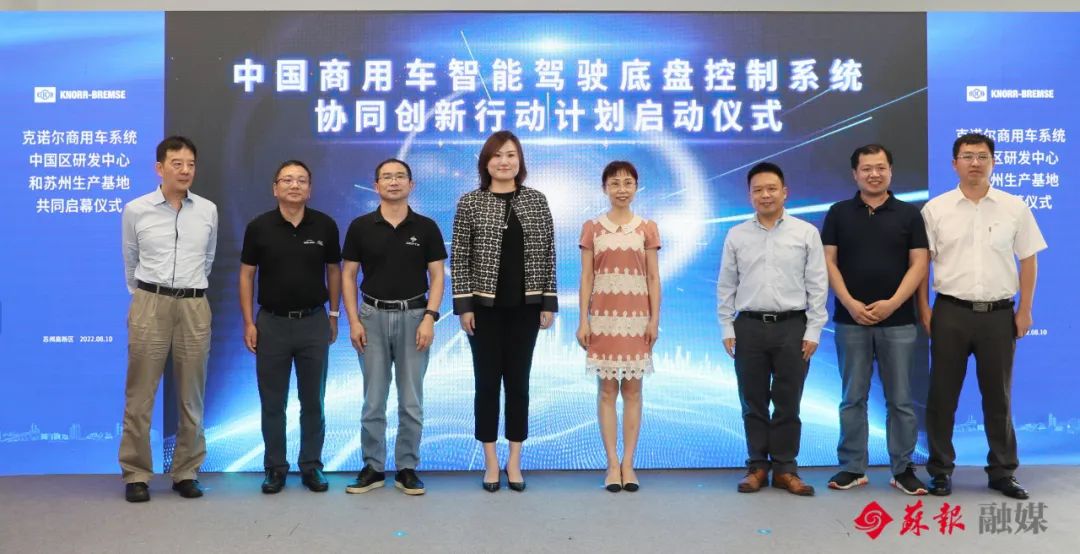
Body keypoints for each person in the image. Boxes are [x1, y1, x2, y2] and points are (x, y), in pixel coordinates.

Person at [917, 133, 1046, 499]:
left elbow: (1029, 259)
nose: (975, 162)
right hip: (950, 312)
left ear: (993, 162)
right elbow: (922, 264)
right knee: (942, 395)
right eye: (967, 156)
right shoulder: (936, 209)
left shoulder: (1013, 207)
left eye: (982, 156)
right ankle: (940, 470)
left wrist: (1025, 310)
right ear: (954, 163)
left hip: (998, 315)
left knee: (998, 397)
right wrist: (925, 308)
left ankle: (1002, 472)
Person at [451, 130, 557, 492]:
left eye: (511, 155)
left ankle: (514, 460)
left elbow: (549, 253)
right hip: (483, 310)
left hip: (526, 308)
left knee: (518, 384)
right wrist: (464, 306)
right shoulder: (470, 202)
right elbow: (460, 258)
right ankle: (491, 461)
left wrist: (547, 301)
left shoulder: (536, 201)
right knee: (486, 385)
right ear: (486, 162)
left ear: (520, 160)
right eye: (496, 155)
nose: (504, 161)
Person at [821, 144, 929, 495]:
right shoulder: (839, 213)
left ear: (891, 171)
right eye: (866, 168)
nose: (874, 174)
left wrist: (894, 303)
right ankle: (852, 467)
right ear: (855, 174)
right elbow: (828, 261)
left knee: (900, 399)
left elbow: (920, 264)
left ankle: (903, 468)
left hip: (898, 321)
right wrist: (850, 302)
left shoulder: (910, 215)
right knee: (853, 397)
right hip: (851, 320)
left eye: (881, 167)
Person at [717, 161, 828, 496]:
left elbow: (817, 284)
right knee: (752, 401)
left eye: (771, 189)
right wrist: (727, 326)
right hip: (748, 326)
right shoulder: (737, 235)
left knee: (788, 401)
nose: (765, 195)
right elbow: (727, 284)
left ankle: (785, 468)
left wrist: (814, 330)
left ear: (784, 192)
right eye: (758, 190)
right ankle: (757, 467)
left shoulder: (805, 233)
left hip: (792, 326)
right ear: (750, 195)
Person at [119, 136, 217, 502]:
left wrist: (187, 291)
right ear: (159, 168)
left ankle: (186, 471)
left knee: (192, 395)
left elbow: (207, 259)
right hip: (150, 301)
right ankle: (136, 473)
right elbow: (131, 260)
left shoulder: (208, 210)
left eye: (190, 164)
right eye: (177, 163)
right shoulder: (136, 209)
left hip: (193, 304)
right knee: (140, 395)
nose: (185, 170)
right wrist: (150, 295)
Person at [341, 158, 446, 496]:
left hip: (415, 316)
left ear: (411, 185)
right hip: (371, 317)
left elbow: (437, 276)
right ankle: (373, 467)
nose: (394, 182)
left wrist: (430, 317)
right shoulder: (361, 226)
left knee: (411, 400)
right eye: (387, 177)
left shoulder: (426, 227)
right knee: (373, 399)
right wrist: (353, 321)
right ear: (376, 186)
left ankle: (407, 468)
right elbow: (348, 275)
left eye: (401, 176)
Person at [239, 160, 341, 494]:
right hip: (271, 324)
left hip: (313, 322)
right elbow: (247, 275)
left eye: (301, 181)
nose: (294, 185)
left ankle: (312, 466)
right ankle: (275, 468)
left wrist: (334, 314)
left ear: (309, 189)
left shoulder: (325, 225)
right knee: (273, 403)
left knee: (314, 401)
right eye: (287, 180)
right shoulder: (259, 227)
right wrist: (249, 321)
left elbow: (334, 271)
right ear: (275, 188)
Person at [576, 161, 661, 493]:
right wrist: (583, 320)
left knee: (634, 392)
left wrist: (654, 320)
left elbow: (653, 277)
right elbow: (587, 277)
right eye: (615, 183)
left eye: (628, 183)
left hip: (637, 321)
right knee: (607, 392)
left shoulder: (647, 228)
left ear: (637, 187)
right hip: (603, 321)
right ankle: (612, 464)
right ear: (604, 188)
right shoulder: (592, 228)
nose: (621, 189)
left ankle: (629, 463)